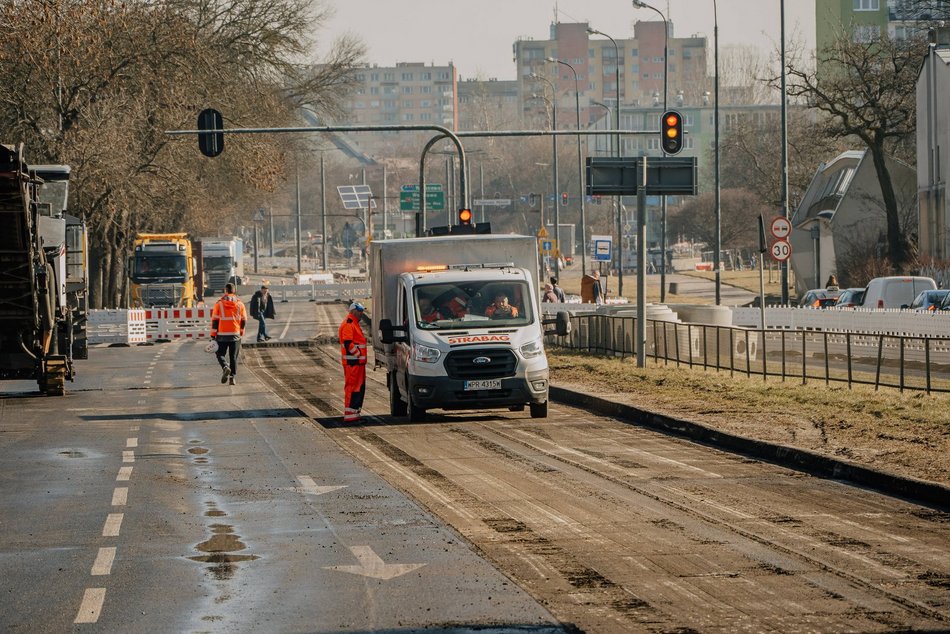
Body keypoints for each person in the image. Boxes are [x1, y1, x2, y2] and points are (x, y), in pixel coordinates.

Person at [210, 283, 247, 386]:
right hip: (235, 334)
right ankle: (232, 378)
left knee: (219, 354)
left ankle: (225, 366)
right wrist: (241, 332)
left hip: (222, 335)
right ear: (234, 291)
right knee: (233, 357)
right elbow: (244, 320)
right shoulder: (240, 304)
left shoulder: (219, 304)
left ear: (225, 291)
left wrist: (213, 336)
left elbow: (215, 321)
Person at [338, 301, 368, 423]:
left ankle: (355, 413)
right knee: (353, 388)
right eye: (360, 311)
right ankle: (350, 415)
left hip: (357, 363)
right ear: (353, 311)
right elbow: (348, 343)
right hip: (353, 363)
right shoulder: (349, 324)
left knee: (358, 388)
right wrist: (358, 355)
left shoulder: (353, 323)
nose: (362, 313)